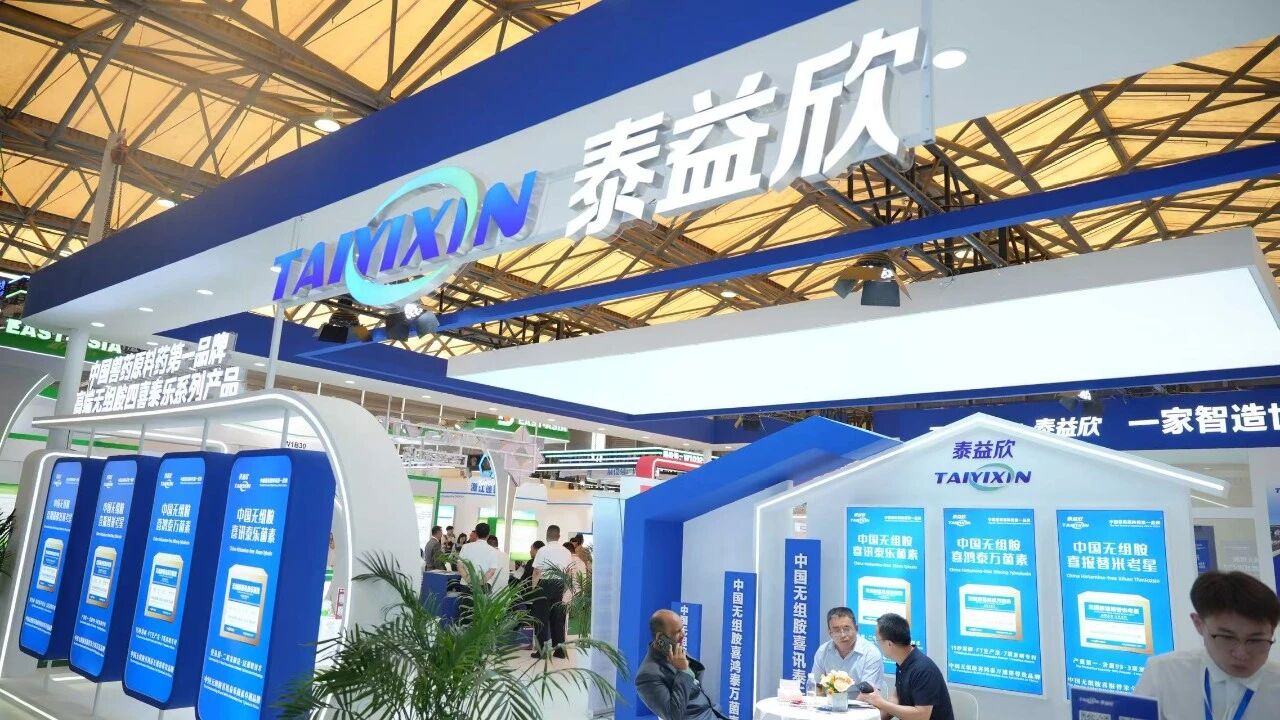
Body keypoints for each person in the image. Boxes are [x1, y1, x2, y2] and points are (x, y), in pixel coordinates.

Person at [1135, 571, 1279, 719]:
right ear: (1198, 624)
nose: (1241, 654)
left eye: (1256, 640)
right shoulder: (1163, 672)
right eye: (1227, 637)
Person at [636, 608, 728, 720]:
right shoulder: (647, 676)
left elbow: (696, 687)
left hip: (713, 714)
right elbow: (673, 716)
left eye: (682, 629)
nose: (683, 634)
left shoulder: (676, 651)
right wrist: (684, 671)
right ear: (660, 637)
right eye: (677, 632)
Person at [858, 613, 954, 720]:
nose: (877, 644)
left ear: (889, 644)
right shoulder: (902, 662)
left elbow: (922, 715)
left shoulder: (923, 669)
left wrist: (880, 703)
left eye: (878, 640)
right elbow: (896, 698)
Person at [811, 607, 884, 694]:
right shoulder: (823, 651)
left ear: (856, 629)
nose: (842, 635)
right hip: (830, 701)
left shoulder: (871, 653)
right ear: (830, 633)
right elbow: (817, 686)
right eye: (836, 630)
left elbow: (869, 693)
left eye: (847, 629)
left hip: (860, 702)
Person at [531, 524, 574, 659]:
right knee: (558, 619)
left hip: (544, 584)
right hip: (559, 584)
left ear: (547, 535)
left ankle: (542, 651)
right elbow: (569, 572)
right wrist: (566, 587)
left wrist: (533, 587)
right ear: (559, 536)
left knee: (541, 619)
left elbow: (537, 571)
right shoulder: (566, 552)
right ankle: (560, 651)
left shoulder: (542, 550)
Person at [457, 522, 500, 590]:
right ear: (488, 534)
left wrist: (468, 579)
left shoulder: (465, 547)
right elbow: (491, 571)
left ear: (476, 533)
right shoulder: (493, 550)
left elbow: (459, 566)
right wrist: (480, 583)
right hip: (484, 586)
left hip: (466, 585)